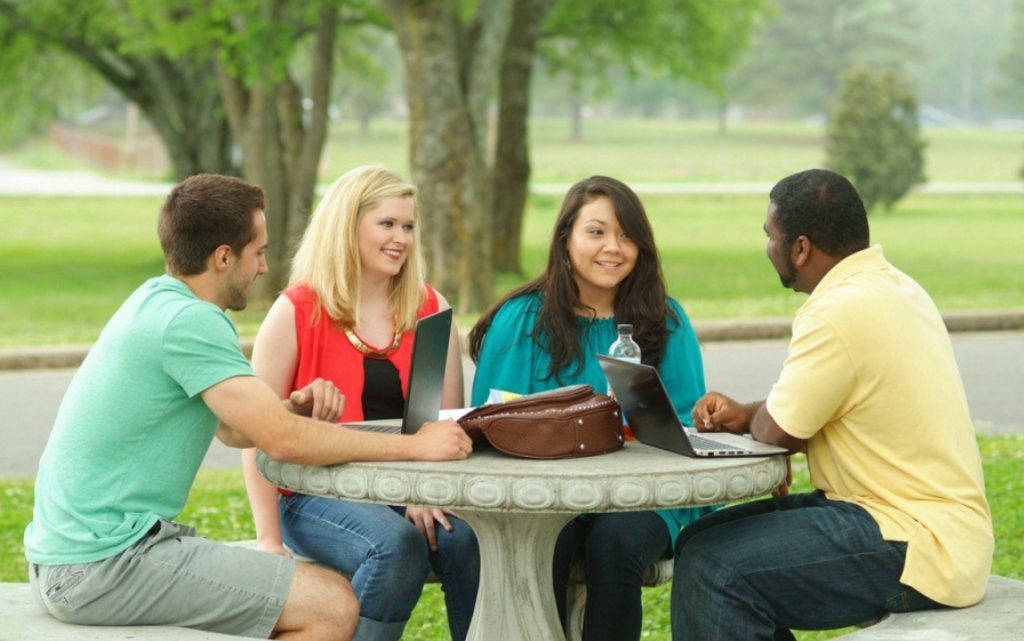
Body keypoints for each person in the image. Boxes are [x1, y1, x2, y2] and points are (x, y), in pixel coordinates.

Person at [24, 174, 473, 641]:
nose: (263, 267)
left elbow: (238, 430)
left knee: (328, 596)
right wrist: (415, 447)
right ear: (223, 257)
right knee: (331, 606)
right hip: (104, 565)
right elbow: (281, 441)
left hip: (83, 556)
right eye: (257, 252)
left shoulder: (157, 301)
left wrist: (290, 409)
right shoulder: (192, 323)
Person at [672, 169, 994, 640]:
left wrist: (754, 420)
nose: (767, 248)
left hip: (916, 541)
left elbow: (778, 432)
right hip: (924, 526)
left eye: (770, 236)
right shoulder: (895, 287)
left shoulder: (836, 310)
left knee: (714, 568)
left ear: (800, 248)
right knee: (698, 541)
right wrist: (746, 413)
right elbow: (822, 405)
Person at [468, 175, 712, 641]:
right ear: (565, 240)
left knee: (616, 542)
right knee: (543, 547)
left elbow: (683, 426)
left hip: (641, 497)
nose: (613, 248)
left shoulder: (666, 321)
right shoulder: (521, 319)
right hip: (541, 498)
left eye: (626, 235)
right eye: (596, 232)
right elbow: (492, 423)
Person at [242, 165, 480, 641]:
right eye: (386, 224)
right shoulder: (296, 310)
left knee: (466, 543)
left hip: (407, 486)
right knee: (395, 545)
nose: (401, 239)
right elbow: (256, 435)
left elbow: (447, 427)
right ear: (347, 226)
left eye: (408, 227)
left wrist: (425, 491)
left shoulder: (431, 309)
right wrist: (268, 540)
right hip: (313, 493)